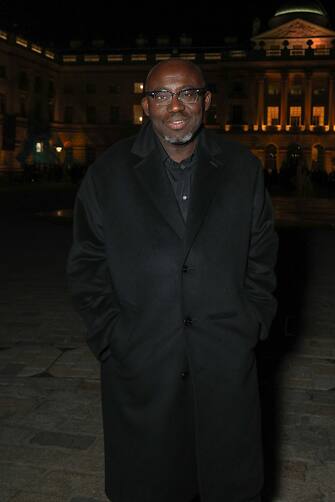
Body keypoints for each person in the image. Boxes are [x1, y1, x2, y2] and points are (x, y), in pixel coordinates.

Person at [66, 58, 278, 502]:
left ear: (207, 101)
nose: (175, 105)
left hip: (223, 361)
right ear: (146, 104)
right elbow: (86, 265)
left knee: (227, 484)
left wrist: (251, 321)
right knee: (150, 486)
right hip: (142, 362)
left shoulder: (243, 169)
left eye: (188, 92)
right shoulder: (108, 173)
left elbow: (262, 257)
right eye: (161, 94)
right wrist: (112, 337)